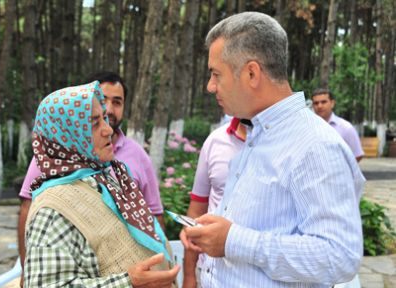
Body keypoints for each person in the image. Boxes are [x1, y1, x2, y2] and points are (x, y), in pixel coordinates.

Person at [182, 12, 365, 287]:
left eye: (216, 74)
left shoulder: (314, 145)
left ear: (252, 73)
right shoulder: (259, 134)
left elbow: (339, 256)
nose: (210, 86)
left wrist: (234, 241)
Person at [24, 81, 179, 287]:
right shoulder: (53, 210)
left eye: (104, 118)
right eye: (93, 123)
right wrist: (128, 282)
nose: (107, 129)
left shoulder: (102, 178)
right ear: (67, 136)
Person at [180, 117, 246, 288]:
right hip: (209, 274)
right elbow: (196, 212)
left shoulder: (284, 143)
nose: (212, 89)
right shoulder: (215, 141)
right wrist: (189, 276)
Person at [312, 88, 364, 162]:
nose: (319, 106)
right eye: (316, 103)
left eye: (323, 102)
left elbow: (357, 154)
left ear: (332, 103)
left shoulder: (345, 128)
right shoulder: (308, 128)